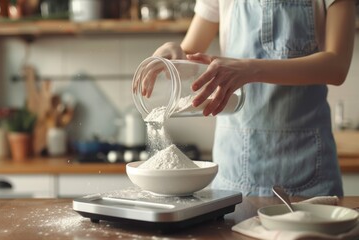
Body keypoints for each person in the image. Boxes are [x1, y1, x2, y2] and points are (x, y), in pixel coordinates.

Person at [151, 0, 356, 196]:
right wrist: (175, 56)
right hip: (234, 167)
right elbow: (190, 59)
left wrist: (251, 69)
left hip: (307, 168)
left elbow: (337, 67)